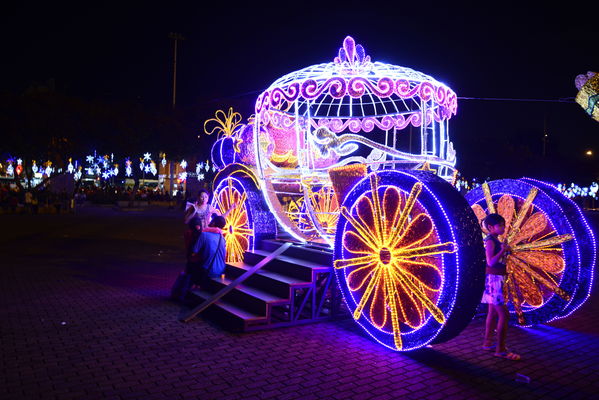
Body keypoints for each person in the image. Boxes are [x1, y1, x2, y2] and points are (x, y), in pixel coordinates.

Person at [481, 213, 521, 361]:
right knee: (504, 314)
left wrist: (505, 251)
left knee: (492, 312)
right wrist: (503, 251)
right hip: (494, 278)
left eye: (503, 224)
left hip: (495, 277)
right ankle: (501, 349)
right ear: (491, 227)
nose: (503, 227)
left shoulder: (495, 240)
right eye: (500, 225)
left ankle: (487, 343)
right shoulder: (491, 241)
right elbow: (490, 262)